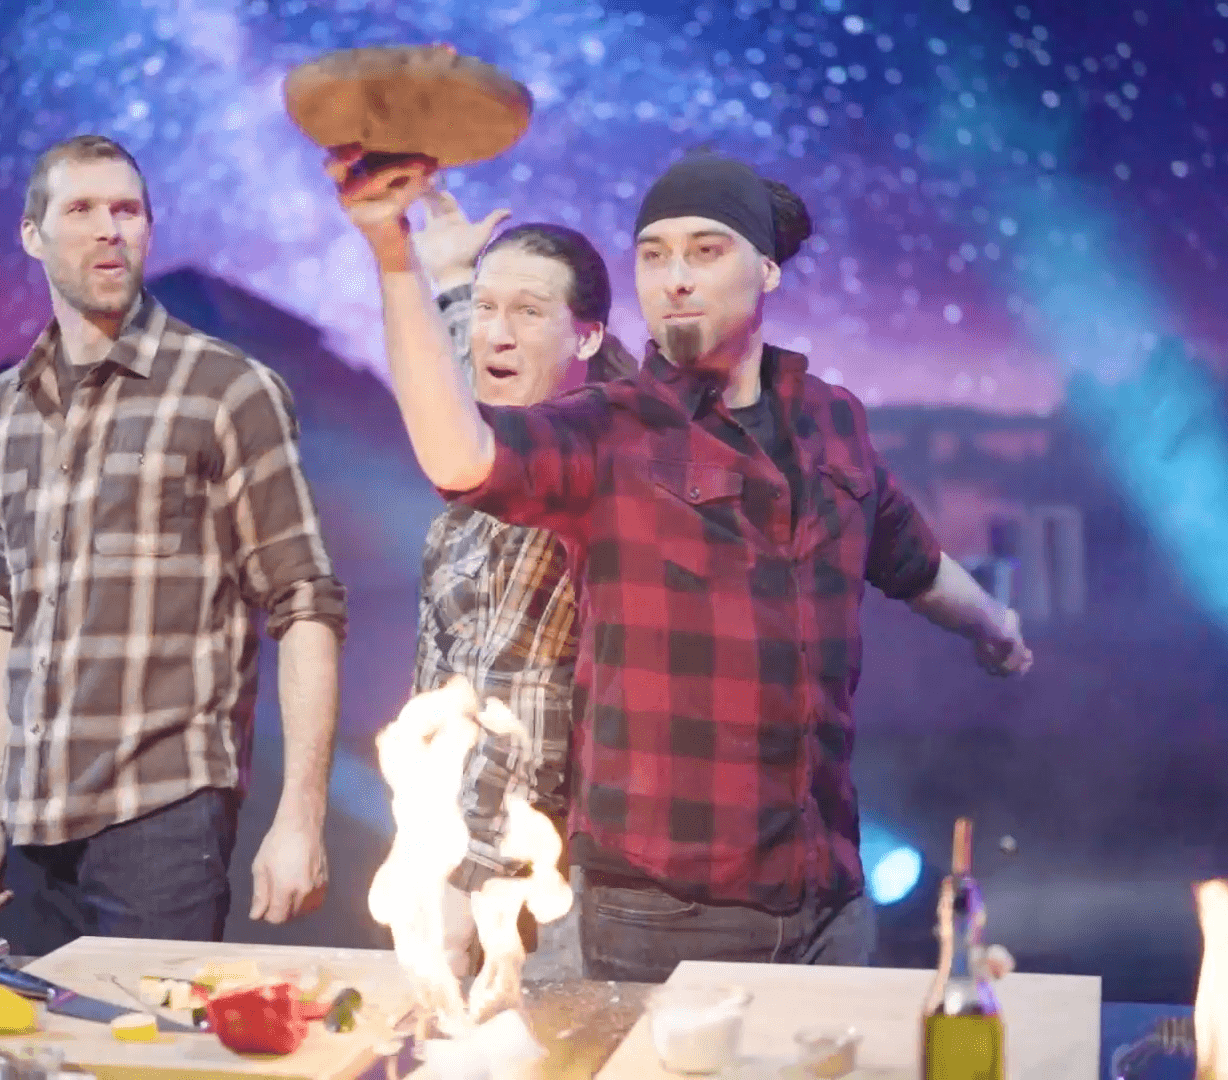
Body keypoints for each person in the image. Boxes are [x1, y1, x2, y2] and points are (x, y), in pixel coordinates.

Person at [333, 148, 1033, 982]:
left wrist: (995, 626)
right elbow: (461, 450)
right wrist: (396, 258)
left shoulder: (833, 422)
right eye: (654, 255)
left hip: (830, 901)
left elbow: (913, 561)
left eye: (706, 251)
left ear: (766, 268)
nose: (675, 278)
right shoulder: (609, 429)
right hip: (660, 914)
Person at [0, 134, 346, 954]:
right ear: (32, 234)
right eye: (81, 209)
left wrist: (301, 816)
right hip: (36, 830)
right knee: (44, 1034)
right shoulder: (3, 412)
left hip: (165, 818)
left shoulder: (226, 390)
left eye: (126, 210)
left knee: (155, 1031)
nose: (109, 229)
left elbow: (304, 601)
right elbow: (6, 617)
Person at [406, 188, 637, 983]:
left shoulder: (583, 471)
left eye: (530, 313)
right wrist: (448, 282)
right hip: (454, 857)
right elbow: (467, 382)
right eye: (486, 308)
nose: (495, 333)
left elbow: (515, 703)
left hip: (537, 895)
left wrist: (468, 888)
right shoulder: (483, 469)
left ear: (589, 335)